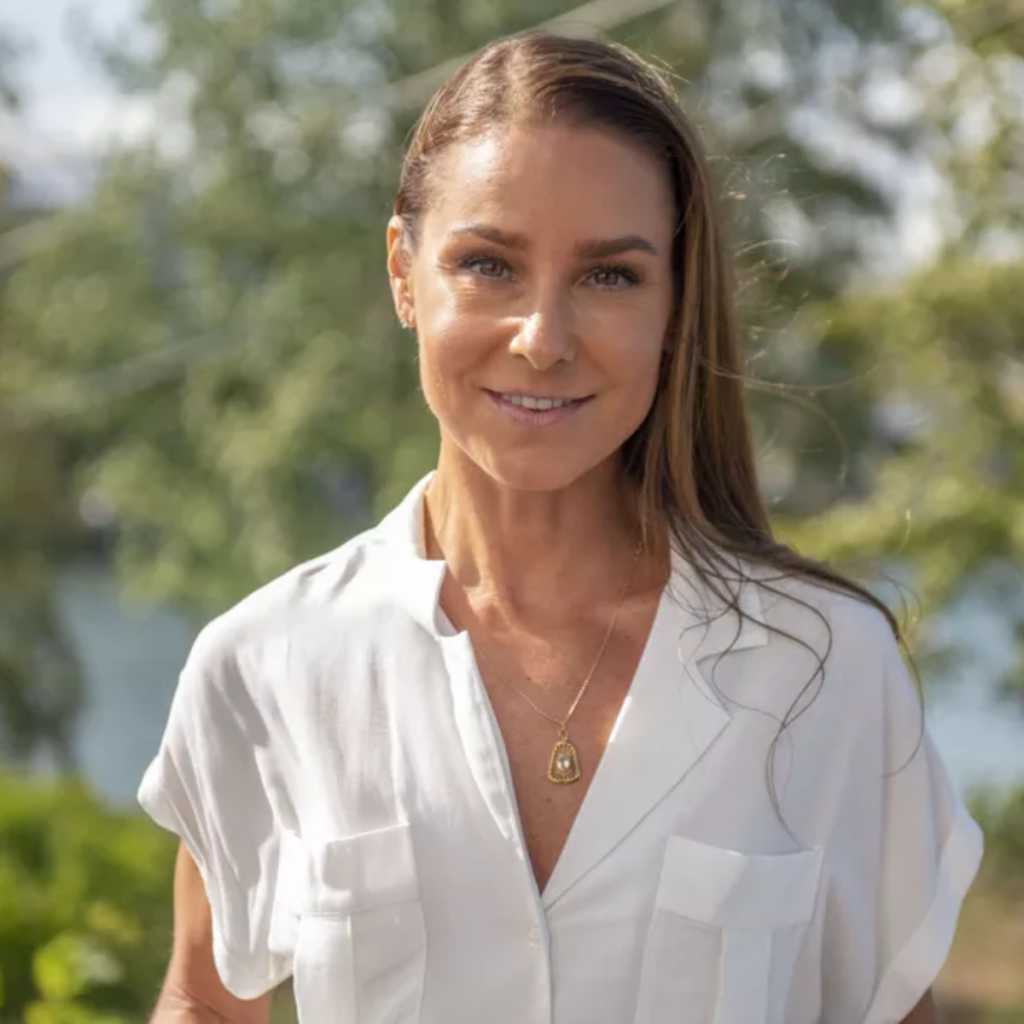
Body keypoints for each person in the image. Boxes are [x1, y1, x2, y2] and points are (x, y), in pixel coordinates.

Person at [138, 30, 983, 1024]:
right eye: (487, 264)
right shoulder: (266, 663)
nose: (543, 339)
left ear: (676, 302)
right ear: (404, 273)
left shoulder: (825, 669)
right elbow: (205, 1002)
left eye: (609, 275)